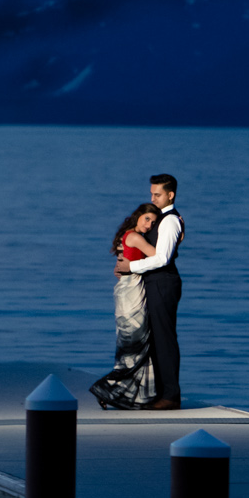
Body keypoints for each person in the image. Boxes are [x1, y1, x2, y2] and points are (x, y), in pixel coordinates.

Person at [114, 173, 184, 409]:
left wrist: (131, 266)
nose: (152, 198)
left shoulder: (171, 221)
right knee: (153, 339)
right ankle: (157, 392)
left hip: (164, 283)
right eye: (151, 193)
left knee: (164, 339)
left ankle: (171, 396)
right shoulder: (160, 219)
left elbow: (163, 258)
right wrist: (125, 266)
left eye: (157, 194)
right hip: (153, 282)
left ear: (170, 195)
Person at [89, 204, 159, 410]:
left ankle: (127, 395)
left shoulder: (125, 235)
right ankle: (106, 388)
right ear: (138, 216)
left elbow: (121, 261)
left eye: (153, 223)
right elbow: (160, 256)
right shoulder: (136, 237)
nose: (149, 225)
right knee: (135, 343)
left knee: (130, 344)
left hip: (125, 288)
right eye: (147, 219)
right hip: (132, 291)